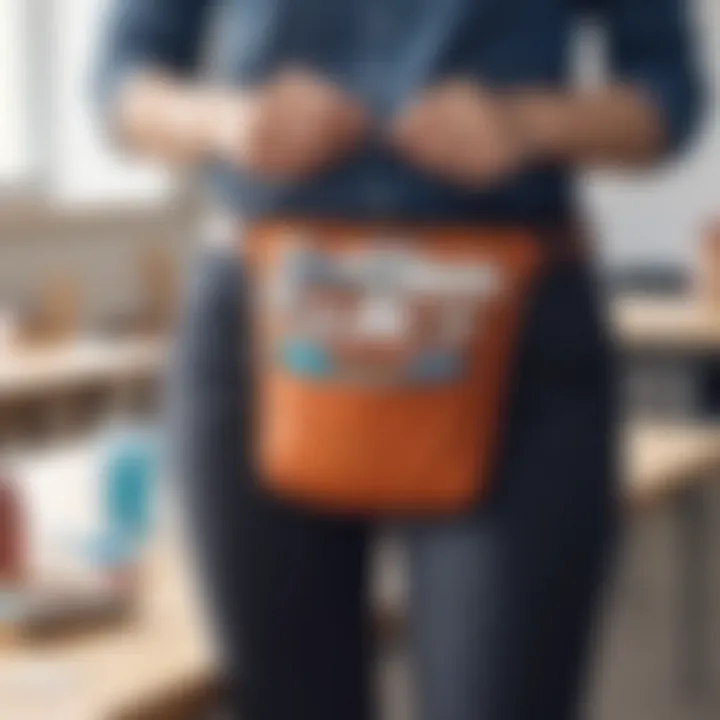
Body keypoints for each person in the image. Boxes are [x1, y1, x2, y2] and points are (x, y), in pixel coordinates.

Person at [94, 1, 701, 718]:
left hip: (509, 337)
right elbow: (121, 83)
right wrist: (231, 120)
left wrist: (523, 124)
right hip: (265, 329)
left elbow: (669, 94)